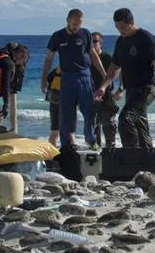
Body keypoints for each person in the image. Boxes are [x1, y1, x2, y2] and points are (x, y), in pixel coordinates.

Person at [95, 8, 155, 148]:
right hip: (132, 90)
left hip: (147, 89)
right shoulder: (121, 42)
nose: (120, 31)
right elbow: (114, 68)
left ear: (131, 22)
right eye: (117, 27)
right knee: (139, 124)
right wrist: (103, 87)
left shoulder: (146, 38)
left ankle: (131, 153)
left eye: (122, 27)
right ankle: (147, 155)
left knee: (126, 118)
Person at [41, 9, 106, 150]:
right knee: (66, 114)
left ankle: (90, 139)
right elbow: (49, 58)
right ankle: (66, 146)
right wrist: (44, 79)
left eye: (80, 23)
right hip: (67, 77)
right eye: (75, 22)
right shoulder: (58, 36)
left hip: (84, 76)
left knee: (90, 111)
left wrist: (104, 74)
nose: (77, 26)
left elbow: (93, 55)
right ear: (68, 20)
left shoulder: (85, 34)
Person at [91, 31, 122, 148]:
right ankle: (96, 149)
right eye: (90, 41)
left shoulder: (107, 57)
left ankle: (110, 149)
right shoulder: (86, 58)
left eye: (95, 41)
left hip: (106, 95)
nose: (93, 44)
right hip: (91, 95)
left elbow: (120, 71)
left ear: (101, 43)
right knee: (93, 125)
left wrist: (120, 89)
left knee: (108, 124)